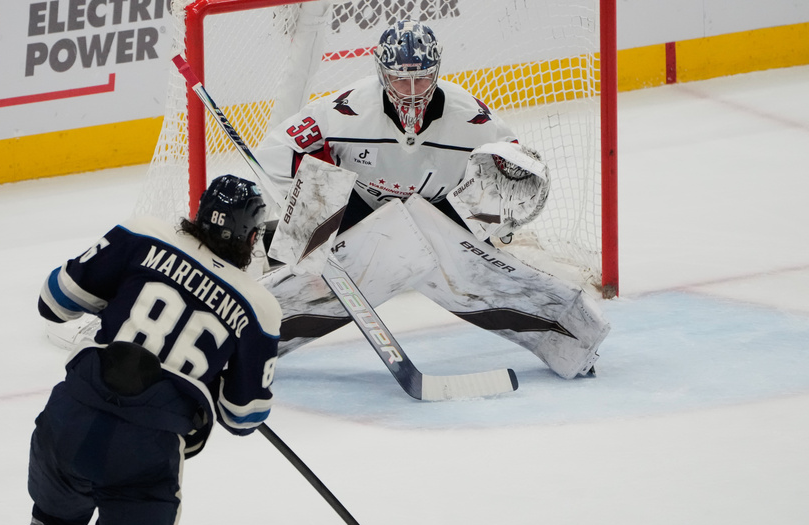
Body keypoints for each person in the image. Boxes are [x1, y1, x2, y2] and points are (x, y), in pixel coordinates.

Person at [0, 175, 281, 525]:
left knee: (51, 524)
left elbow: (53, 302)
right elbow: (242, 418)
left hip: (71, 417)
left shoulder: (142, 234)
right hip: (145, 447)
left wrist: (115, 296)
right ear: (250, 239)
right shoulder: (259, 306)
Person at [256, 20, 610, 379]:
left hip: (437, 216)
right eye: (399, 79)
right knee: (315, 180)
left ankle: (570, 335)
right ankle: (260, 279)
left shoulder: (473, 120)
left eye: (422, 79)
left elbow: (514, 180)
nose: (411, 92)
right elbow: (274, 154)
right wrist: (315, 191)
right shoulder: (344, 111)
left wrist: (502, 208)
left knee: (489, 205)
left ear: (437, 70)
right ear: (381, 72)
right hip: (357, 210)